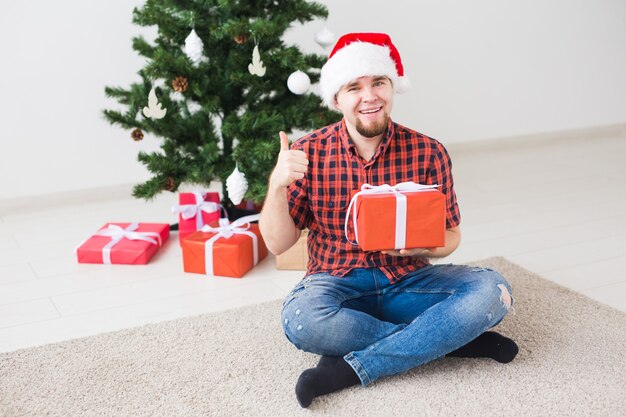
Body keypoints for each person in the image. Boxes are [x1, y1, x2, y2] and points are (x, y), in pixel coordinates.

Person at [259, 32, 518, 408]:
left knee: (493, 291)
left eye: (378, 82)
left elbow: (451, 236)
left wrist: (422, 246)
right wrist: (277, 184)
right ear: (337, 98)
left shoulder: (428, 151)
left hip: (409, 279)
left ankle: (348, 369)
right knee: (301, 319)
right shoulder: (307, 151)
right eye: (354, 87)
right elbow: (277, 244)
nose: (369, 96)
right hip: (336, 285)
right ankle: (449, 340)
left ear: (392, 87)